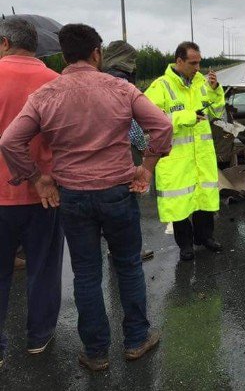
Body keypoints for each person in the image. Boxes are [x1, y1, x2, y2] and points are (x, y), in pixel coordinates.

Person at [0, 24, 173, 372]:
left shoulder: (47, 94)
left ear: (64, 55)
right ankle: (137, 340)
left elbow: (9, 142)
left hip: (73, 196)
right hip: (118, 193)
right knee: (127, 267)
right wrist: (147, 168)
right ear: (97, 53)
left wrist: (38, 180)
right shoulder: (121, 88)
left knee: (87, 274)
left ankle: (96, 352)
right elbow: (163, 126)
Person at [0, 18, 63, 369]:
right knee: (43, 268)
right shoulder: (55, 83)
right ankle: (39, 338)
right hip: (45, 194)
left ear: (5, 42)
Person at [144, 42, 225, 261]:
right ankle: (185, 246)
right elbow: (149, 121)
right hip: (176, 160)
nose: (198, 67)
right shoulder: (160, 86)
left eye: (199, 62)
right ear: (179, 61)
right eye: (193, 63)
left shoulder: (202, 83)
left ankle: (205, 237)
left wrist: (217, 91)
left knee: (204, 199)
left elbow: (217, 112)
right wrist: (185, 117)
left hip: (202, 156)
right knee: (179, 206)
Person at [103, 40, 154, 262]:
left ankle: (113, 249)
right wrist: (143, 148)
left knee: (109, 204)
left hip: (102, 152)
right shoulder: (123, 84)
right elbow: (131, 125)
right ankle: (130, 251)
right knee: (128, 202)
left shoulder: (100, 80)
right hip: (125, 152)